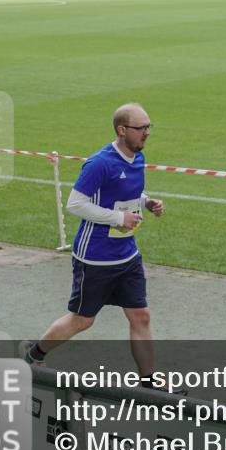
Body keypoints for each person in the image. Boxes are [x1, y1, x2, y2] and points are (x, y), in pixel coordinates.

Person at [23, 103, 175, 392]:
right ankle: (33, 354)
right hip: (96, 257)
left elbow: (125, 191)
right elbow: (75, 204)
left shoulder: (137, 156)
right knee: (82, 320)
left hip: (127, 254)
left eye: (148, 127)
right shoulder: (100, 163)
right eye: (141, 128)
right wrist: (119, 218)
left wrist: (146, 202)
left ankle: (148, 380)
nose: (146, 133)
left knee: (140, 315)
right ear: (122, 130)